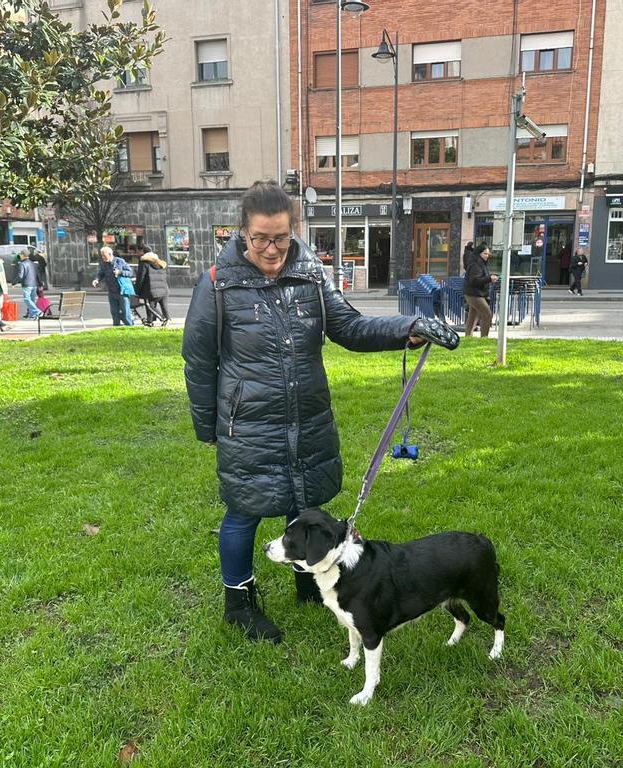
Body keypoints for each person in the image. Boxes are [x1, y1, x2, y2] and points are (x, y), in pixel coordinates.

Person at [182, 180, 458, 644]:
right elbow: (198, 360)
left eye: (281, 238)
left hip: (306, 416)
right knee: (244, 512)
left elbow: (349, 325)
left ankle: (306, 580)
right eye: (260, 239)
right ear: (241, 234)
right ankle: (239, 602)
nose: (272, 249)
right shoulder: (216, 285)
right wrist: (209, 426)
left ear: (294, 231)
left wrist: (407, 328)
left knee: (303, 502)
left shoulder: (310, 275)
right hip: (247, 423)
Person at [92, 246, 135, 326]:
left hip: (122, 291)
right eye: (102, 256)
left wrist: (120, 272)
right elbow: (101, 273)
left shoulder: (120, 261)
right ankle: (116, 327)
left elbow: (130, 272)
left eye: (104, 256)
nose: (103, 257)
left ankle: (130, 327)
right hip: (112, 291)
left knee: (125, 311)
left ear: (110, 254)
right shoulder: (103, 264)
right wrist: (97, 279)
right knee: (114, 312)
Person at [463, 243, 498, 337]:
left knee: (473, 315)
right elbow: (474, 280)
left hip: (474, 293)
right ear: (479, 253)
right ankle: (484, 337)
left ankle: (468, 336)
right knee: (487, 314)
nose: (487, 256)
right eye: (485, 253)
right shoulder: (476, 265)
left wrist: (489, 278)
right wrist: (489, 278)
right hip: (474, 294)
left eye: (488, 254)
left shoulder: (479, 263)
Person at [134, 244, 170, 326]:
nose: (137, 253)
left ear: (143, 252)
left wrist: (137, 290)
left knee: (149, 305)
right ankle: (153, 321)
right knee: (163, 305)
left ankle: (162, 318)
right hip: (163, 288)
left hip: (151, 288)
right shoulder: (159, 262)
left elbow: (141, 277)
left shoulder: (144, 262)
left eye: (139, 251)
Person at [13, 249, 41, 319]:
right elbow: (37, 274)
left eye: (20, 254)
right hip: (34, 284)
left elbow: (20, 275)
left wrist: (14, 282)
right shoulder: (33, 263)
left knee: (26, 299)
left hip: (27, 284)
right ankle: (32, 314)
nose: (19, 255)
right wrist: (39, 283)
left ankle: (37, 311)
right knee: (32, 300)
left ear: (23, 255)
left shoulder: (22, 264)